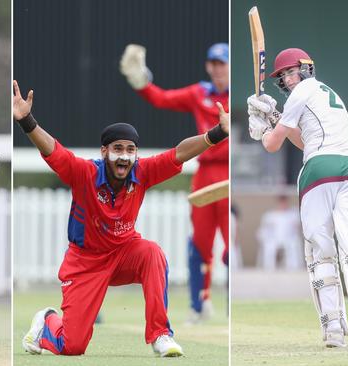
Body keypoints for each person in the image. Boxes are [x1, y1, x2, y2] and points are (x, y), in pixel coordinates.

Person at [13, 79, 228, 357]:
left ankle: (160, 335)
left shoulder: (143, 172)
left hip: (125, 253)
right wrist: (26, 120)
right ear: (105, 152)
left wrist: (216, 133)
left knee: (152, 253)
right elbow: (52, 149)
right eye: (118, 149)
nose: (124, 157)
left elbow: (180, 152)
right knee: (72, 346)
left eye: (130, 150)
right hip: (86, 263)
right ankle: (47, 322)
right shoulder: (84, 173)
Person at [246, 48, 348, 347]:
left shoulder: (301, 91)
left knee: (320, 250)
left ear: (305, 69)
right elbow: (303, 139)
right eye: (282, 77)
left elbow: (271, 145)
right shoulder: (327, 92)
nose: (286, 81)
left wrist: (261, 126)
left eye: (289, 73)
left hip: (319, 170)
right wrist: (276, 117)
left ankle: (333, 328)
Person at [119, 43, 229, 324]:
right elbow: (161, 98)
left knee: (231, 247)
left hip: (230, 173)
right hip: (205, 172)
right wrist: (140, 79)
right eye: (214, 64)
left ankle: (233, 306)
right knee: (201, 243)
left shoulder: (243, 95)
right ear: (208, 66)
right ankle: (199, 304)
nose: (218, 69)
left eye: (223, 64)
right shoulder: (199, 93)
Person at [256, 195, 303, 270]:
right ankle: (269, 267)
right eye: (281, 202)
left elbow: (297, 227)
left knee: (293, 244)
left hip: (289, 238)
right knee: (269, 246)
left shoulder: (293, 214)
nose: (283, 204)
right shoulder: (270, 215)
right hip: (273, 239)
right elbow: (265, 229)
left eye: (284, 202)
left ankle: (294, 267)